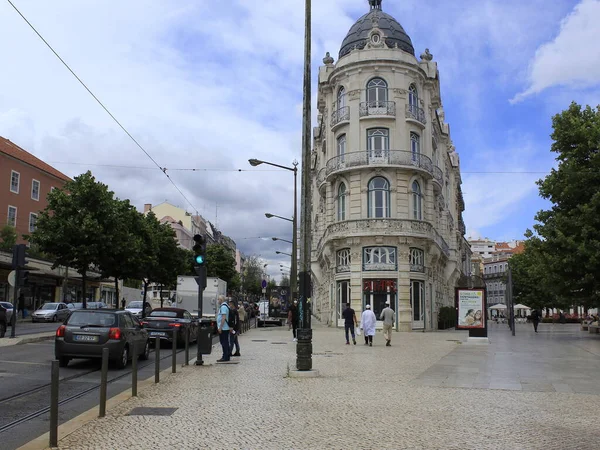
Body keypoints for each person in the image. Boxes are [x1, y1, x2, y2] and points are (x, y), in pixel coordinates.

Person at [216, 295, 231, 362]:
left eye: (218, 299)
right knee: (225, 342)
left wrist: (220, 327)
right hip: (225, 327)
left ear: (221, 300)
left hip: (224, 328)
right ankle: (226, 356)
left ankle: (225, 356)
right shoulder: (225, 306)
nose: (218, 300)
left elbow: (223, 317)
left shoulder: (223, 307)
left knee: (224, 342)